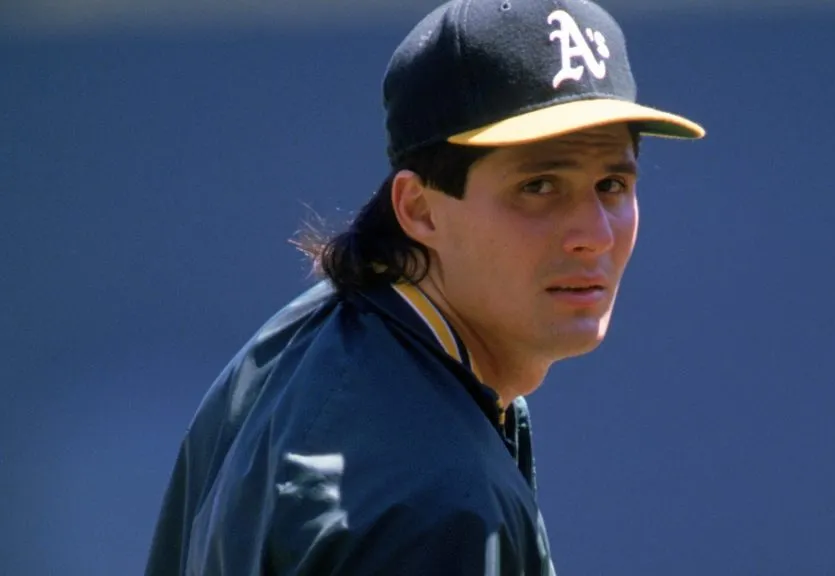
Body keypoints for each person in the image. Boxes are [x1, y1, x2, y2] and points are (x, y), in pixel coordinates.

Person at [143, 0, 704, 573]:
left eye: (612, 184)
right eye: (539, 186)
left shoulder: (299, 346)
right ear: (420, 209)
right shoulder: (438, 501)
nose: (593, 234)